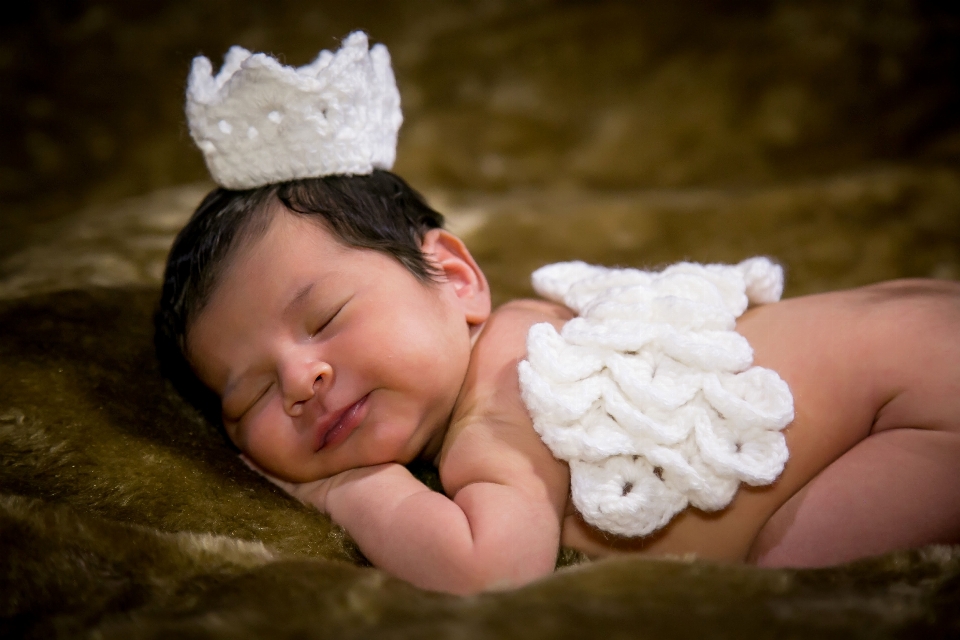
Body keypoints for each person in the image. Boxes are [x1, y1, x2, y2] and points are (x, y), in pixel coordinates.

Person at [156, 34, 960, 595]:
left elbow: (489, 574)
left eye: (326, 315)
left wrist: (352, 494)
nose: (301, 379)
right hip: (922, 340)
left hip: (916, 410)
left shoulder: (502, 408)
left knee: (787, 594)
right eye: (250, 395)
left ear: (456, 277)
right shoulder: (534, 333)